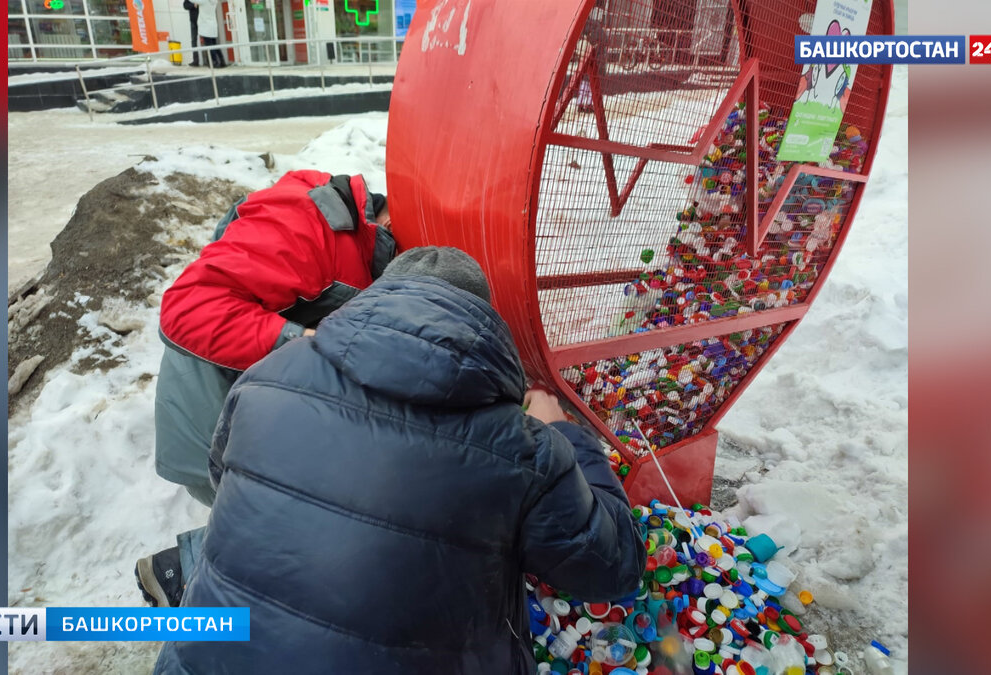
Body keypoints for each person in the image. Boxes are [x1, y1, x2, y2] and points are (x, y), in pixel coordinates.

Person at [153, 247, 646, 674]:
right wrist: (564, 433)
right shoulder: (526, 447)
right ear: (480, 322)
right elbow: (613, 569)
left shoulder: (269, 372)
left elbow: (225, 476)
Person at [135, 170, 394, 607]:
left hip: (262, 414)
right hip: (214, 424)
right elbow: (187, 307)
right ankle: (186, 578)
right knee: (342, 527)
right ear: (391, 224)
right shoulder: (308, 221)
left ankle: (192, 569)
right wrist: (309, 346)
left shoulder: (368, 248)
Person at [190, 0, 225, 68]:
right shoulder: (215, 1)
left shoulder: (204, 1)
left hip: (206, 26)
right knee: (215, 45)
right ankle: (222, 61)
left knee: (209, 46)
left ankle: (215, 62)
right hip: (213, 25)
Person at [182, 0, 200, 67]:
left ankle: (210, 60)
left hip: (202, 20)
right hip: (193, 21)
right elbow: (185, 5)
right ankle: (195, 61)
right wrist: (193, 5)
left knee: (206, 39)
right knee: (193, 40)